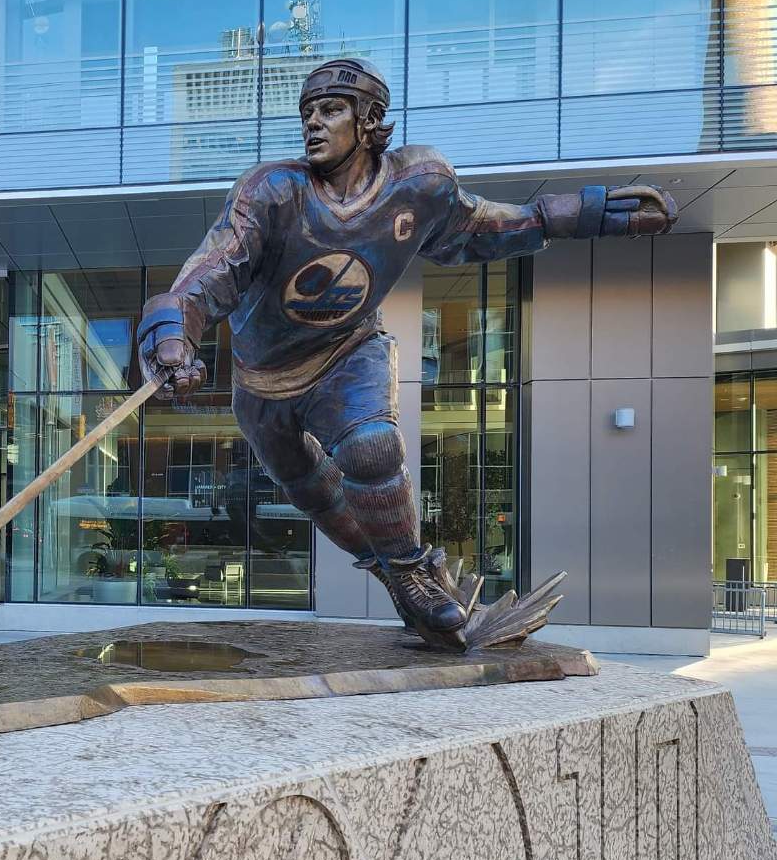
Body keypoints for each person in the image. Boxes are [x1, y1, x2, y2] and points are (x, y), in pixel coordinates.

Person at [138, 57, 678, 649]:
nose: (313, 124)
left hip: (348, 351)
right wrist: (172, 333)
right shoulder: (273, 193)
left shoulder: (418, 185)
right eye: (307, 113)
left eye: (330, 110)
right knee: (315, 494)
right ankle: (401, 582)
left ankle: (415, 574)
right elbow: (215, 267)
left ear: (369, 121)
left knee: (371, 446)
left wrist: (582, 214)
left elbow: (483, 227)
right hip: (264, 380)